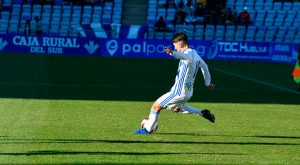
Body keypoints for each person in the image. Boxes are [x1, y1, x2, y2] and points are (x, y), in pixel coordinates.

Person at [135, 32, 216, 134]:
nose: (176, 48)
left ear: (181, 44)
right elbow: (205, 66)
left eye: (176, 46)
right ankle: (203, 113)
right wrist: (207, 83)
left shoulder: (189, 54)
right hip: (187, 92)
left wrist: (173, 53)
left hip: (179, 92)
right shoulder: (195, 54)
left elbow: (186, 57)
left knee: (156, 106)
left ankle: (147, 130)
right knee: (175, 108)